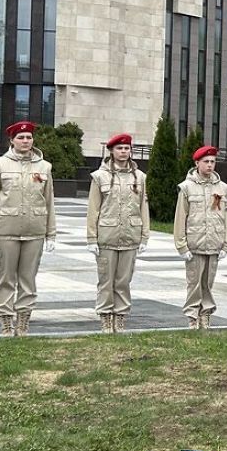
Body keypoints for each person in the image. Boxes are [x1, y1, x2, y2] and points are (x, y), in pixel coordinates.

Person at [0, 121, 57, 336]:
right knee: (6, 278)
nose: (26, 141)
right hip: (6, 231)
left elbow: (49, 201)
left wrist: (51, 233)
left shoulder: (44, 167)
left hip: (35, 231)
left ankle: (23, 321)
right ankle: (6, 322)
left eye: (29, 137)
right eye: (21, 137)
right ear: (12, 141)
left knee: (28, 279)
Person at [87, 134, 149, 334]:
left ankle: (120, 316)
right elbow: (93, 209)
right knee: (106, 280)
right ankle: (105, 316)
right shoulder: (100, 176)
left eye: (127, 148)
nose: (124, 152)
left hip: (130, 235)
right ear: (111, 151)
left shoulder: (139, 177)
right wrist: (91, 237)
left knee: (123, 281)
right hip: (107, 235)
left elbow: (143, 207)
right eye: (120, 148)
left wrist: (144, 236)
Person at [174, 145, 227, 330]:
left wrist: (226, 244)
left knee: (208, 282)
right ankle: (192, 316)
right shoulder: (187, 188)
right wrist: (181, 245)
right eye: (206, 162)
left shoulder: (222, 188)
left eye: (213, 161)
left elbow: (226, 217)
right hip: (195, 243)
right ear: (197, 163)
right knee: (194, 283)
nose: (210, 165)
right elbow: (180, 218)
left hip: (214, 242)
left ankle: (205, 314)